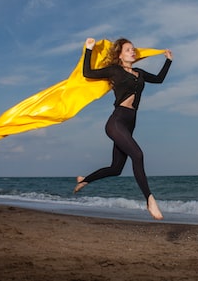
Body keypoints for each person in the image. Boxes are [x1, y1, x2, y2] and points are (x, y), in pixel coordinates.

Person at [74, 37, 173, 220]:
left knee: (116, 168)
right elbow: (87, 73)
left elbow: (159, 79)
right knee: (138, 155)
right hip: (116, 122)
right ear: (120, 54)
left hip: (130, 124)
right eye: (128, 49)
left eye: (133, 49)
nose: (133, 52)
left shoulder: (139, 73)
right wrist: (88, 49)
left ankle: (85, 179)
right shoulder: (114, 71)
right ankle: (149, 200)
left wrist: (168, 60)